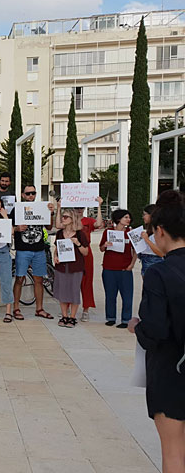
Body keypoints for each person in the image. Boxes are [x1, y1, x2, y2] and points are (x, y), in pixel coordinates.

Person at [128, 191, 185, 473]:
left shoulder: (159, 273)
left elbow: (155, 331)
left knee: (174, 454)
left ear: (160, 231)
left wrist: (137, 326)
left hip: (172, 371)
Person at [55, 196, 103, 322]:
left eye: (82, 207)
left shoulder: (87, 221)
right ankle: (68, 309)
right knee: (69, 281)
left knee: (86, 281)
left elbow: (98, 224)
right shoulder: (66, 225)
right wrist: (59, 207)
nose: (79, 209)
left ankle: (86, 309)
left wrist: (99, 205)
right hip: (69, 254)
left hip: (84, 252)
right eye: (77, 207)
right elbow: (58, 225)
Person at [11, 185, 55, 320]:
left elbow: (49, 226)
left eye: (33, 193)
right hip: (23, 250)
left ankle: (39, 309)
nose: (31, 196)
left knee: (39, 279)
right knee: (19, 279)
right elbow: (9, 227)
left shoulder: (42, 208)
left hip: (39, 250)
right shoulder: (17, 209)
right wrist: (17, 228)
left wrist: (51, 213)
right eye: (28, 193)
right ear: (23, 195)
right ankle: (16, 308)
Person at [99, 209, 137, 328]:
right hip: (109, 268)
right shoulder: (108, 232)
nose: (128, 219)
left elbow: (136, 250)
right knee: (110, 295)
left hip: (124, 269)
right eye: (126, 217)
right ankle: (110, 317)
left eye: (129, 217)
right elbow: (101, 248)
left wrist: (132, 264)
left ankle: (126, 319)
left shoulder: (131, 233)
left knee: (127, 296)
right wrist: (105, 245)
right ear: (118, 219)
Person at [53, 209, 89, 328]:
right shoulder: (59, 233)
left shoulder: (80, 234)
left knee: (74, 292)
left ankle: (72, 317)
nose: (63, 219)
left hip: (75, 267)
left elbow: (85, 252)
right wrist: (55, 256)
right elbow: (56, 248)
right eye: (63, 216)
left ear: (72, 219)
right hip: (62, 266)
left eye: (66, 217)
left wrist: (78, 243)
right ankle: (64, 316)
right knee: (62, 291)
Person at [138, 204, 164, 276]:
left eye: (145, 214)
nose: (143, 217)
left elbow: (161, 253)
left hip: (154, 261)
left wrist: (147, 240)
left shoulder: (159, 230)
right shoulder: (150, 230)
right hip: (146, 260)